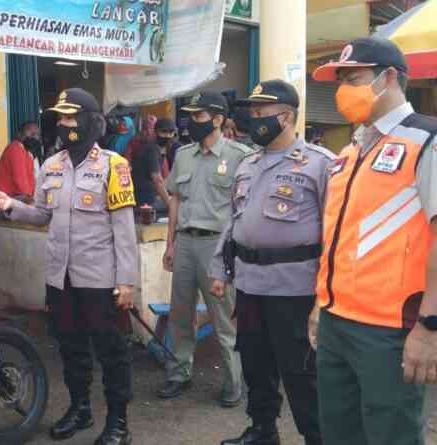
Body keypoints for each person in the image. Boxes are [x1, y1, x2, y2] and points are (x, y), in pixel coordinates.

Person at [0, 88, 138, 445]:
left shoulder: (113, 166)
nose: (65, 124)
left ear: (90, 121)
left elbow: (124, 229)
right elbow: (42, 214)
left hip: (100, 280)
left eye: (71, 118)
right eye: (61, 118)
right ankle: (80, 409)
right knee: (71, 349)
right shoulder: (52, 165)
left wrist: (127, 282)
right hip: (61, 279)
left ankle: (118, 422)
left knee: (112, 353)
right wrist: (11, 206)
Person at [311, 36, 437, 445]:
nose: (343, 91)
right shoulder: (349, 151)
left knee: (391, 435)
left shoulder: (426, 140)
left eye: (354, 79)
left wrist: (430, 326)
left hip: (390, 331)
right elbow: (338, 237)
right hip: (336, 321)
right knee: (339, 433)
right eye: (340, 81)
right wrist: (320, 306)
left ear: (389, 78)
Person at [211, 80, 333, 445]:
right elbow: (234, 222)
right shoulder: (248, 164)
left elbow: (336, 234)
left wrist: (326, 295)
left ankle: (317, 437)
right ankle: (262, 430)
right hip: (250, 284)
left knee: (301, 372)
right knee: (255, 363)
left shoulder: (320, 164)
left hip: (294, 288)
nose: (254, 118)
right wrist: (220, 269)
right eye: (252, 111)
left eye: (261, 111)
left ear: (286, 116)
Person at [156, 91, 253, 406]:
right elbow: (175, 200)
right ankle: (178, 374)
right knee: (180, 315)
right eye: (190, 116)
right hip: (185, 242)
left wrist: (234, 253)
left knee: (223, 318)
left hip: (217, 246)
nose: (191, 122)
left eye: (198, 116)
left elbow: (244, 209)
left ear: (218, 119)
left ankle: (233, 381)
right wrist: (170, 244)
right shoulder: (184, 154)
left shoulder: (239, 156)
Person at [0, 121, 41, 202]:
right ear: (19, 133)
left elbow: (32, 180)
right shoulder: (15, 148)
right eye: (30, 131)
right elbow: (20, 181)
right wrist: (30, 199)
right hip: (3, 198)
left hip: (14, 197)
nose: (34, 136)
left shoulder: (28, 154)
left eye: (37, 134)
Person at [131, 117, 174, 208]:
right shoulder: (152, 149)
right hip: (144, 198)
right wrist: (169, 202)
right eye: (163, 132)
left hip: (148, 195)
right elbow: (157, 179)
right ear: (155, 132)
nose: (167, 135)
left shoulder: (160, 148)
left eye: (170, 132)